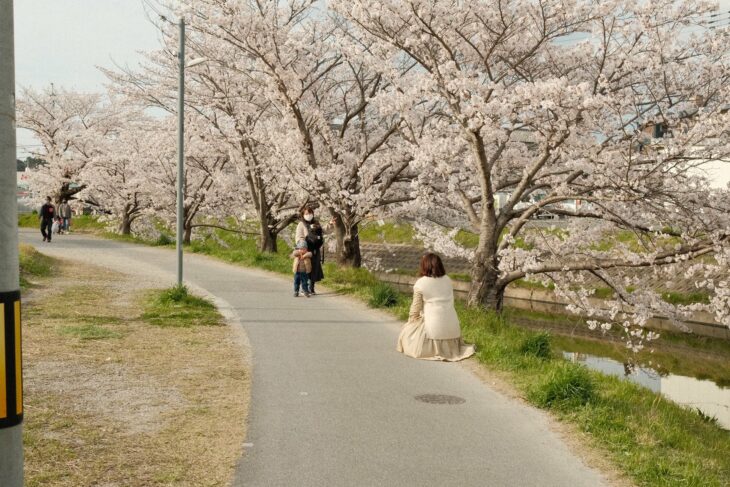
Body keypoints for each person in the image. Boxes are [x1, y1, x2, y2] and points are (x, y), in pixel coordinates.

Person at [397, 253, 476, 361]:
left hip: (433, 328)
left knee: (407, 334)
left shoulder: (421, 283)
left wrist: (411, 323)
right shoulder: (447, 280)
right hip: (452, 326)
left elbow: (415, 309)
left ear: (424, 266)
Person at [295, 206, 325, 294]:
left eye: (310, 213)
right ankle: (304, 287)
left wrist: (330, 224)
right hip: (306, 249)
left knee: (315, 268)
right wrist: (302, 244)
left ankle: (311, 287)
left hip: (315, 249)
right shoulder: (301, 224)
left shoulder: (316, 222)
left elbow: (323, 230)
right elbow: (298, 236)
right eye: (306, 214)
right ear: (303, 215)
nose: (309, 215)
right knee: (305, 267)